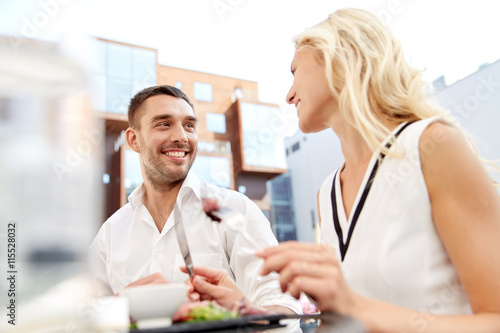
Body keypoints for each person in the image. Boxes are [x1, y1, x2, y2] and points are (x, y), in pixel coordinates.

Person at [253, 7, 500, 332]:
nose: (288, 95)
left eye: (294, 70)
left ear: (336, 58)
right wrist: (251, 313)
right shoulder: (326, 195)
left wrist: (354, 308)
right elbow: (343, 322)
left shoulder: (431, 145)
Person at [88, 85, 300, 315]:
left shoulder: (235, 211)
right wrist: (119, 306)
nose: (181, 137)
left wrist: (247, 314)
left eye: (189, 125)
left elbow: (285, 309)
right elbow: (83, 317)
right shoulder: (110, 233)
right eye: (164, 124)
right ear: (133, 139)